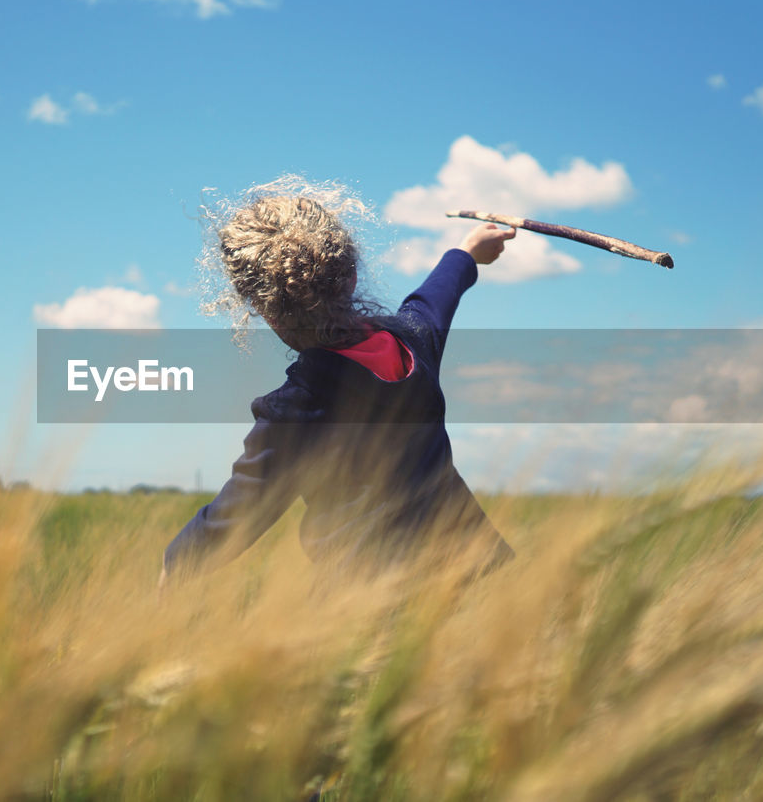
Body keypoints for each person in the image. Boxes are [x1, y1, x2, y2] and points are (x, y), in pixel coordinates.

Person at [161, 180, 516, 588]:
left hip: (372, 600)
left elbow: (238, 514)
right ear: (349, 277)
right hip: (477, 577)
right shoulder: (411, 341)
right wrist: (466, 251)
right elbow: (433, 299)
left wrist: (177, 562)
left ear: (263, 309)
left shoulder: (295, 409)